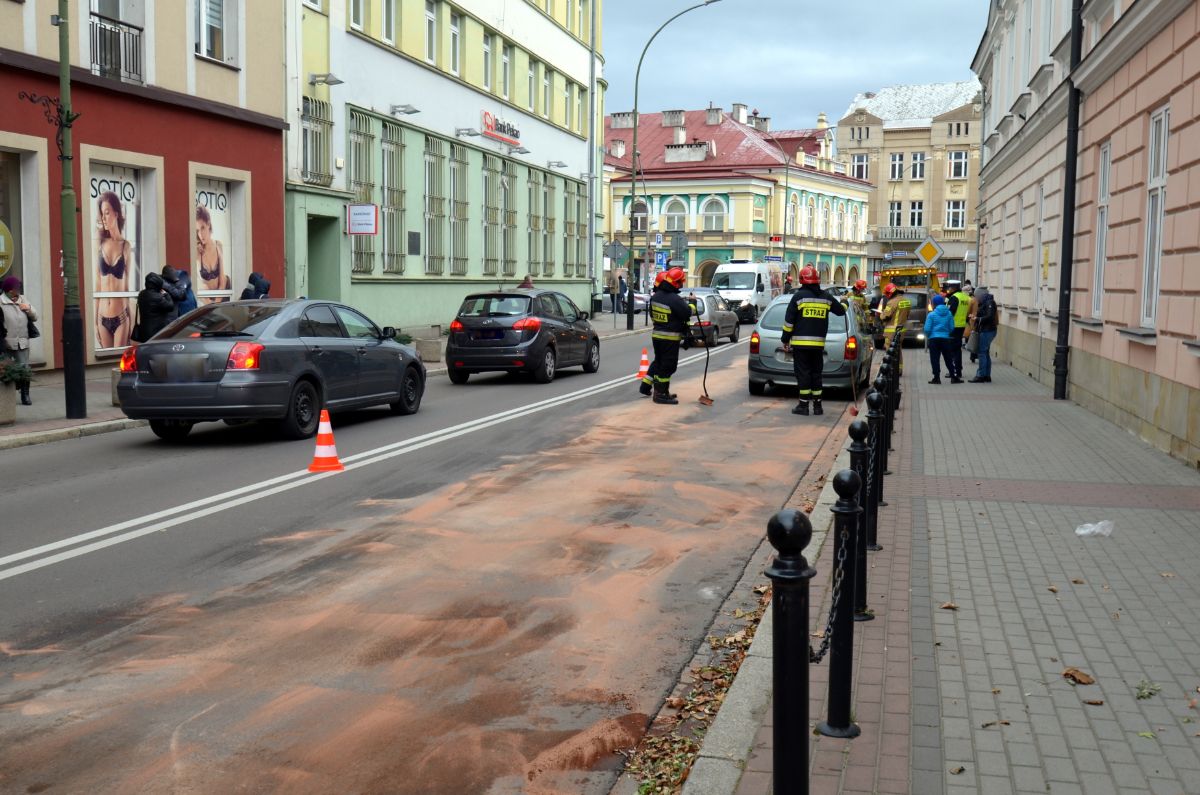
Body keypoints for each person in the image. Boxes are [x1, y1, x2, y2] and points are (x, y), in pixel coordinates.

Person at [780, 264, 845, 416]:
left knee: (803, 374)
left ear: (802, 280)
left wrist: (785, 339)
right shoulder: (826, 297)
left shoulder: (798, 297)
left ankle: (803, 406)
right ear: (817, 280)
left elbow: (789, 322)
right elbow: (841, 311)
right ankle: (818, 406)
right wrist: (845, 302)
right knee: (816, 374)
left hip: (801, 346)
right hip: (818, 345)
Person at [640, 266, 693, 405]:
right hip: (670, 338)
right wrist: (692, 304)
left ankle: (658, 390)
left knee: (659, 363)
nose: (682, 285)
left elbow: (653, 315)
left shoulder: (656, 297)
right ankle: (661, 394)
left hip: (657, 336)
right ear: (675, 283)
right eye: (681, 282)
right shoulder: (674, 299)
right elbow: (687, 312)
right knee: (668, 366)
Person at [96, 190, 136, 348]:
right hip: (102, 317)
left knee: (120, 362)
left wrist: (131, 319)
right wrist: (94, 322)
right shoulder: (100, 244)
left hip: (121, 317)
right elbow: (98, 285)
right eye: (102, 214)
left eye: (107, 212)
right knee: (105, 363)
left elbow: (126, 287)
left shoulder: (125, 246)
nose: (104, 218)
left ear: (116, 214)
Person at [0, 276, 38, 405]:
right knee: (6, 369)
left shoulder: (23, 299)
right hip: (6, 343)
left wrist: (28, 308)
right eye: (15, 289)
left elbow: (35, 316)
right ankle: (7, 396)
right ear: (9, 291)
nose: (18, 290)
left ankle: (25, 395)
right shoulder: (1, 302)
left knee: (25, 369)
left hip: (22, 342)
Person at [195, 205, 229, 300]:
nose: (200, 234)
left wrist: (216, 304)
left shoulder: (218, 245)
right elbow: (198, 286)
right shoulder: (197, 251)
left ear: (209, 225)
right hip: (205, 302)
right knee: (204, 287)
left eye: (203, 228)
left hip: (221, 296)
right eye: (197, 231)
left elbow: (222, 282)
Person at [134, 272, 177, 341]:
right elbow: (170, 306)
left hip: (144, 331)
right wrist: (166, 295)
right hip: (155, 333)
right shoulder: (157, 297)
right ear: (157, 284)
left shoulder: (142, 294)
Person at [879, 283, 912, 374]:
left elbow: (885, 316)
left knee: (889, 351)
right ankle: (899, 369)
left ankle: (891, 370)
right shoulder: (906, 301)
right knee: (898, 350)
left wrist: (881, 314)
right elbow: (907, 315)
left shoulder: (892, 302)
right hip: (901, 331)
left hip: (891, 332)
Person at [922, 293, 954, 384]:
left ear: (934, 303)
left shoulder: (931, 315)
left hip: (934, 339)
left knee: (935, 359)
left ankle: (936, 378)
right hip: (945, 339)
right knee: (948, 358)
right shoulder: (949, 313)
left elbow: (927, 329)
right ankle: (953, 376)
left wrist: (929, 335)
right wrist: (946, 333)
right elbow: (952, 327)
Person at [968, 286, 998, 383]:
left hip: (988, 330)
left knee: (982, 353)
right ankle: (986, 375)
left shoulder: (990, 303)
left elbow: (989, 316)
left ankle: (980, 375)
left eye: (977, 296)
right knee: (985, 353)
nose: (976, 298)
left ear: (981, 295)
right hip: (986, 330)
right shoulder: (985, 302)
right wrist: (976, 317)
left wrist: (978, 319)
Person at [944, 279, 970, 383]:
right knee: (957, 350)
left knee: (951, 350)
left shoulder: (954, 298)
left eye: (948, 287)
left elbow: (950, 313)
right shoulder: (965, 297)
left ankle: (954, 372)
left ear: (953, 287)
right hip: (961, 325)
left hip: (953, 326)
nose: (947, 289)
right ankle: (958, 370)